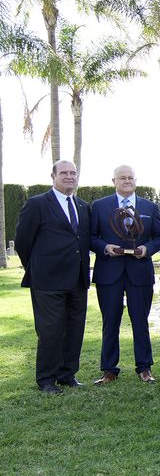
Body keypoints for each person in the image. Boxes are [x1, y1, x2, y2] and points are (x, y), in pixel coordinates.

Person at [14, 161, 91, 394]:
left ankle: (67, 374)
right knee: (51, 331)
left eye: (73, 173)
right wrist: (37, 267)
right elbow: (22, 242)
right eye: (64, 173)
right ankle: (46, 379)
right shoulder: (37, 204)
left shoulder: (82, 206)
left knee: (75, 328)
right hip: (47, 281)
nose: (69, 177)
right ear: (53, 176)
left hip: (77, 279)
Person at [90, 165, 160, 385]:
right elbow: (91, 237)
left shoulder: (150, 207)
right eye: (122, 178)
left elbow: (159, 238)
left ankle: (144, 368)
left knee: (140, 321)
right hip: (109, 272)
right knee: (110, 321)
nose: (127, 181)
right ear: (114, 181)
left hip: (139, 273)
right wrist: (105, 247)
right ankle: (109, 370)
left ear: (135, 181)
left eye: (130, 177)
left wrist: (147, 250)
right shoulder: (100, 206)